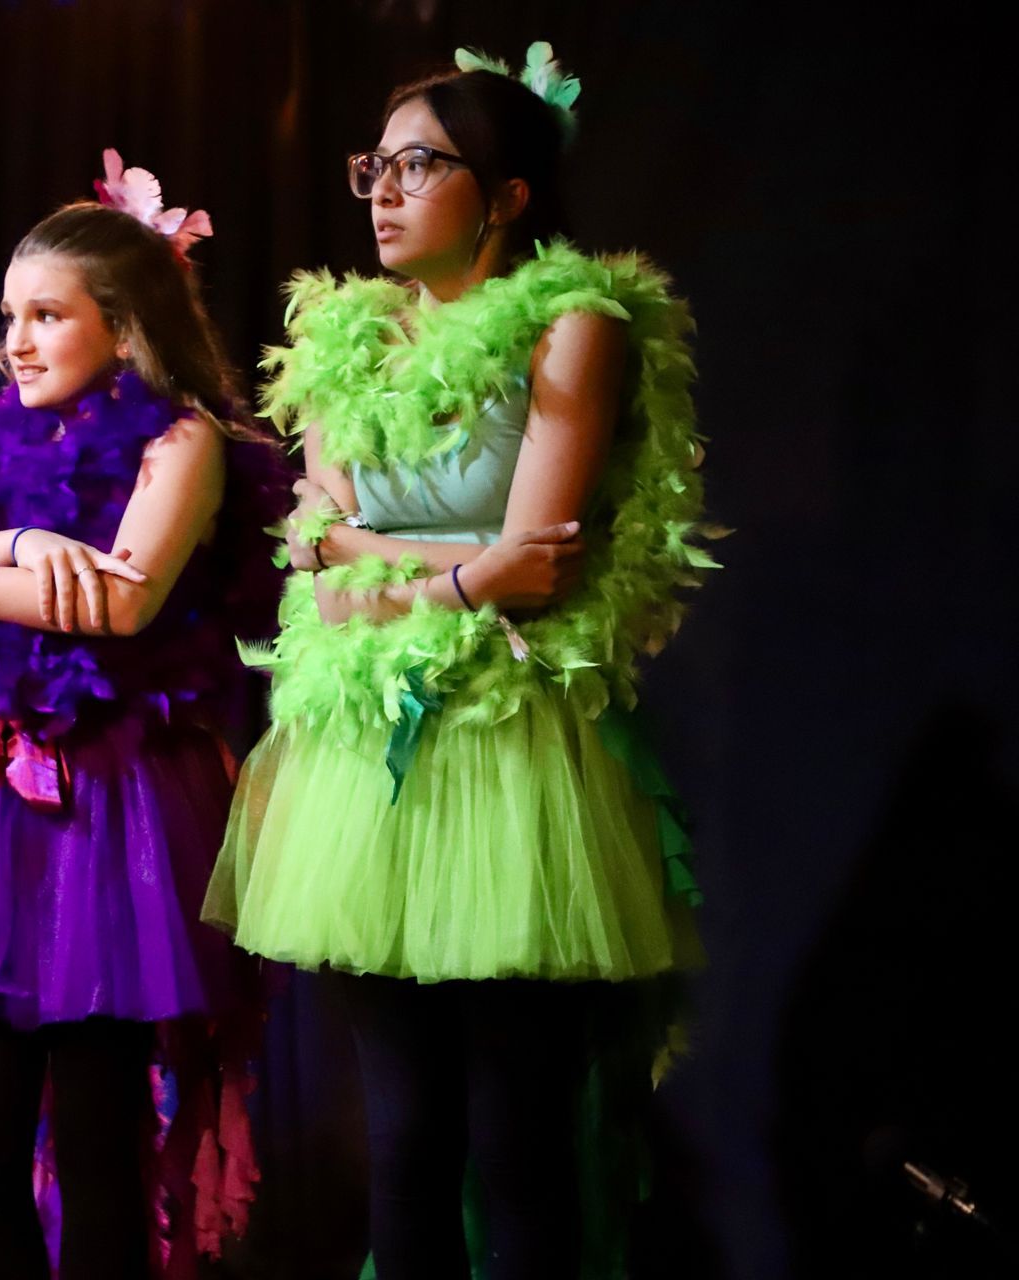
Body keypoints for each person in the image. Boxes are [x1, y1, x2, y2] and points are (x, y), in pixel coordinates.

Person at [203, 44, 715, 1277]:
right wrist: (456, 573)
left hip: (506, 743)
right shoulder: (338, 339)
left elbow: (539, 557)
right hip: (359, 747)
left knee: (515, 1135)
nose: (381, 190)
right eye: (373, 166)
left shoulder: (573, 326)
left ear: (507, 195)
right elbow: (316, 550)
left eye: (419, 165)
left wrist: (407, 566)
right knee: (403, 1134)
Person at [0, 152, 282, 1279]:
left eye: (48, 316)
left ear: (122, 329)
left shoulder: (183, 443)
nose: (17, 341)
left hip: (109, 813)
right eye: (10, 317)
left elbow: (121, 599)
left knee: (95, 1143)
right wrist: (21, 543)